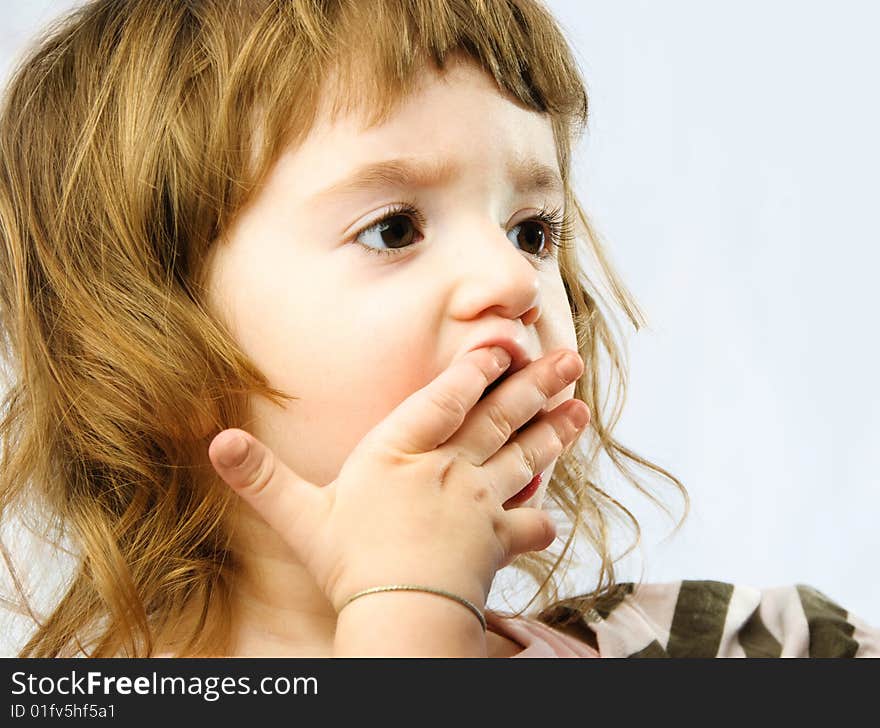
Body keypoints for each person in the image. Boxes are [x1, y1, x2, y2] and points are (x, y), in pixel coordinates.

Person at [0, 0, 875, 658]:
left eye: (532, 231)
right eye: (394, 229)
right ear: (148, 353)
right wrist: (404, 615)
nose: (513, 279)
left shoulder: (721, 648)